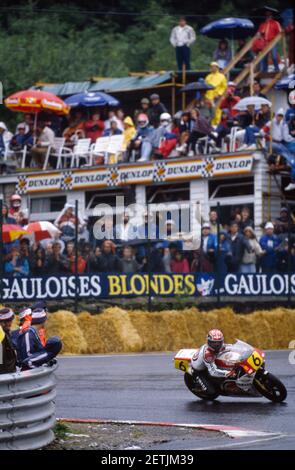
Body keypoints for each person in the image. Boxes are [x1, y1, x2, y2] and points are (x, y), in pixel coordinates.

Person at [191, 329, 235, 398]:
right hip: (199, 370)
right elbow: (213, 372)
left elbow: (230, 347)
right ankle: (199, 388)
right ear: (208, 342)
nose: (217, 345)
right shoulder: (207, 354)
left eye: (219, 342)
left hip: (209, 362)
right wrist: (227, 373)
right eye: (214, 343)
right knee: (212, 392)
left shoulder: (221, 345)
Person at [0, 308, 17, 374]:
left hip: (10, 374)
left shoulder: (6, 333)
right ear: (3, 322)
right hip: (5, 377)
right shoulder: (1, 336)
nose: (11, 324)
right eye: (10, 321)